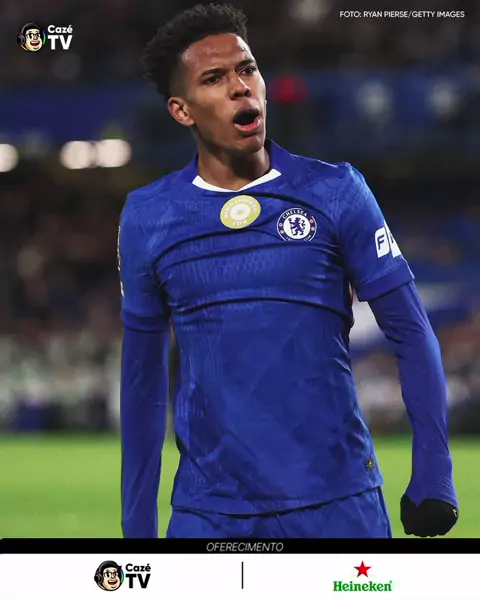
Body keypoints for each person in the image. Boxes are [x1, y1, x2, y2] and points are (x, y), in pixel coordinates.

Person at [119, 3, 458, 538]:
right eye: (214, 78)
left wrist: (435, 474)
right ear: (182, 111)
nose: (240, 87)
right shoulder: (148, 216)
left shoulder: (336, 191)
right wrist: (137, 530)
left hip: (340, 506)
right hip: (211, 516)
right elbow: (142, 382)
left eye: (247, 69)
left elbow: (412, 333)